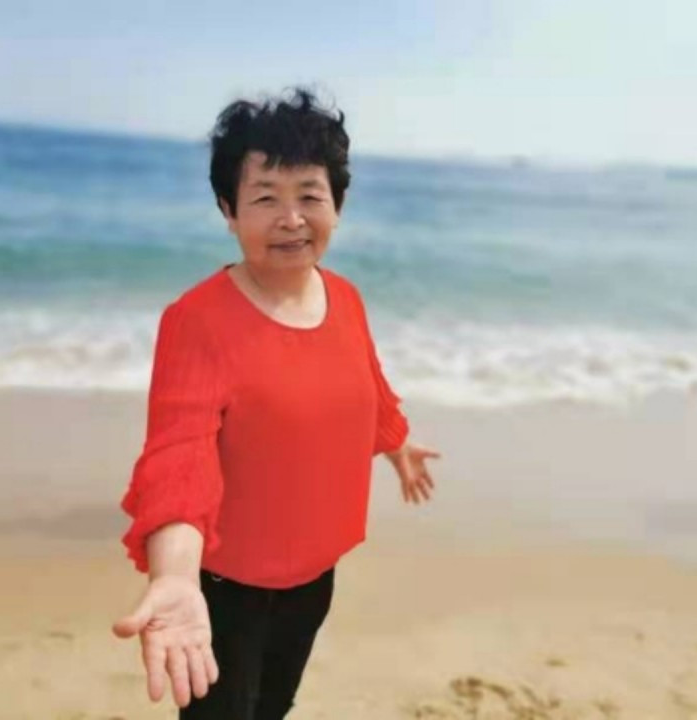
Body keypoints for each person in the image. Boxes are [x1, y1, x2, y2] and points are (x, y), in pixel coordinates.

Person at [111, 87, 441, 719]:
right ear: (228, 211)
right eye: (265, 198)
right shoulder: (197, 321)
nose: (291, 219)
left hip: (314, 574)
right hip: (225, 586)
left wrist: (395, 440)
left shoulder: (344, 298)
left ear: (337, 206)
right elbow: (179, 457)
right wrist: (175, 577)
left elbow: (363, 383)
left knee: (274, 704)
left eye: (310, 196)